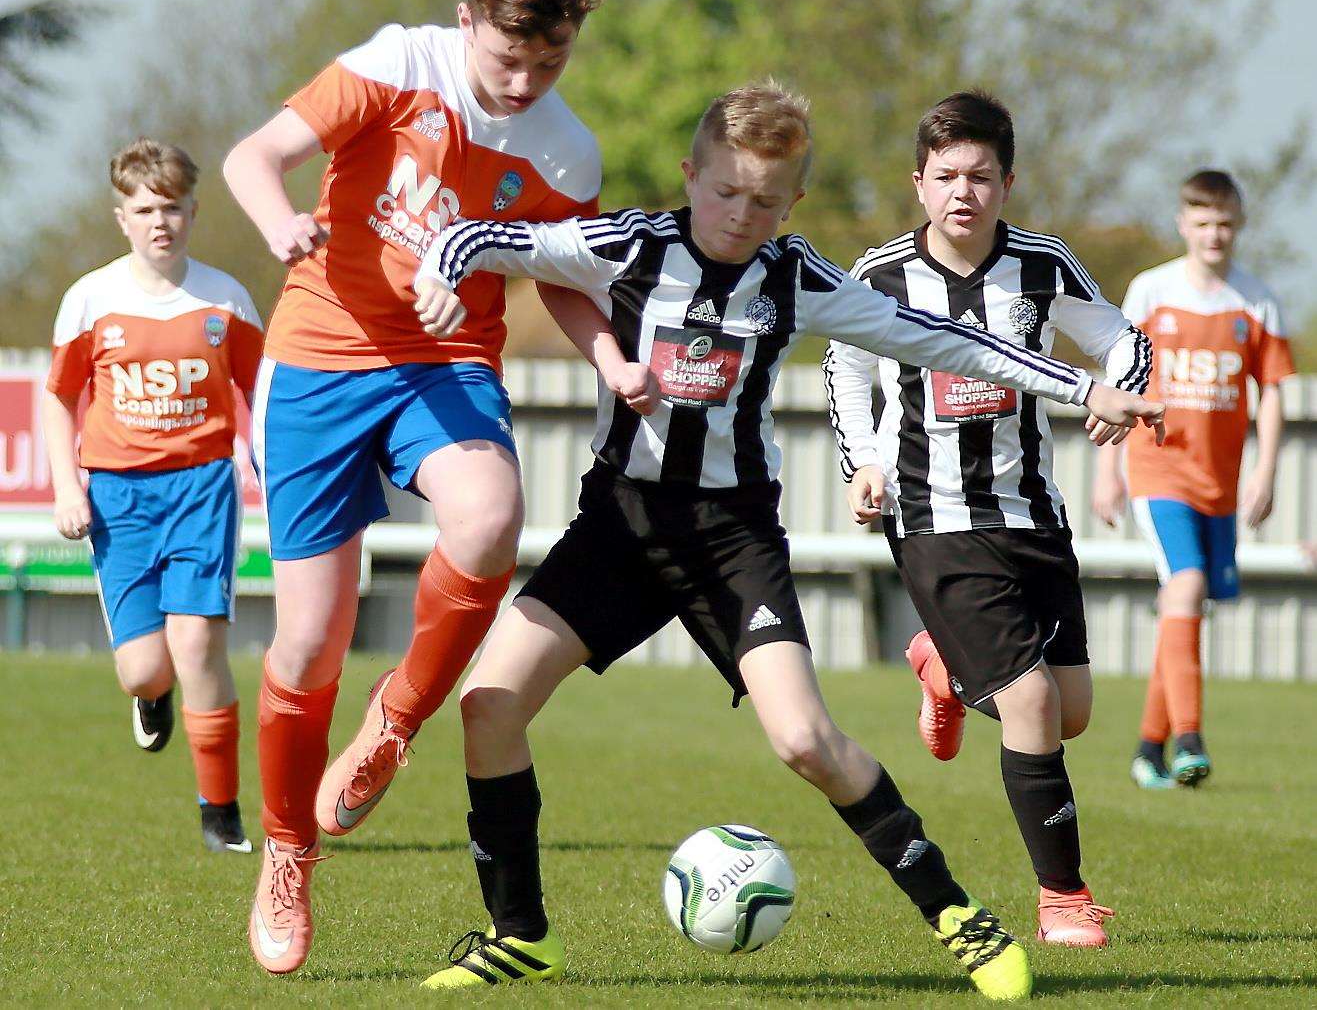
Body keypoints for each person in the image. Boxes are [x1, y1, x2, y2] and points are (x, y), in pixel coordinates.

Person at [409, 83, 1162, 998]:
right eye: (725, 192)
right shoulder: (630, 244)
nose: (740, 216)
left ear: (791, 203)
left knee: (805, 739)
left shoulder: (794, 274)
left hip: (733, 541)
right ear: (691, 175)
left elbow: (942, 341)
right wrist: (439, 269)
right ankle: (519, 935)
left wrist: (1083, 389)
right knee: (487, 704)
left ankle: (956, 914)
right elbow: (490, 237)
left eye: (765, 201)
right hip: (621, 527)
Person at [221, 0, 650, 975]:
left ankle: (395, 720)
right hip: (320, 358)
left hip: (447, 358)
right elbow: (254, 154)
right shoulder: (395, 63)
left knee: (492, 514)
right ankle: (286, 852)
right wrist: (280, 222)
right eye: (509, 57)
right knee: (307, 641)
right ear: (468, 22)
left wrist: (611, 358)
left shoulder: (567, 146)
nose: (525, 79)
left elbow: (561, 274)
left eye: (550, 60)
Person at [824, 90, 1154, 949]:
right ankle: (1063, 899)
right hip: (931, 515)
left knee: (1070, 710)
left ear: (1006, 182)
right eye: (944, 176)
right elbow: (843, 368)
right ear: (917, 183)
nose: (960, 191)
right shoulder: (880, 274)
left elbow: (1123, 340)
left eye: (978, 175)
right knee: (1033, 701)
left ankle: (943, 669)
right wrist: (860, 458)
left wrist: (1120, 392)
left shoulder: (1042, 265)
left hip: (1032, 514)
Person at [43, 138, 264, 854]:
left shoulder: (225, 297)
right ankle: (151, 694)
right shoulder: (89, 299)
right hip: (116, 498)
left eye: (171, 206)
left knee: (198, 641)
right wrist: (67, 486)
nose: (159, 221)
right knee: (145, 665)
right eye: (144, 208)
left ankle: (220, 811)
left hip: (201, 487)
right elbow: (59, 399)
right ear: (122, 216)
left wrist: (265, 459)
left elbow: (262, 390)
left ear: (193, 210)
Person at [1092, 169, 1294, 790]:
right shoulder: (1151, 292)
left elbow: (1274, 393)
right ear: (1183, 224)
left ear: (1240, 223)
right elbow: (1119, 378)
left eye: (1226, 223)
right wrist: (1109, 469)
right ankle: (1190, 741)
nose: (1215, 234)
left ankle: (1149, 750)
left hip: (1221, 482)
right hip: (1158, 469)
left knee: (1188, 604)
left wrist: (1265, 470)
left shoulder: (1256, 301)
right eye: (1203, 223)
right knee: (1187, 584)